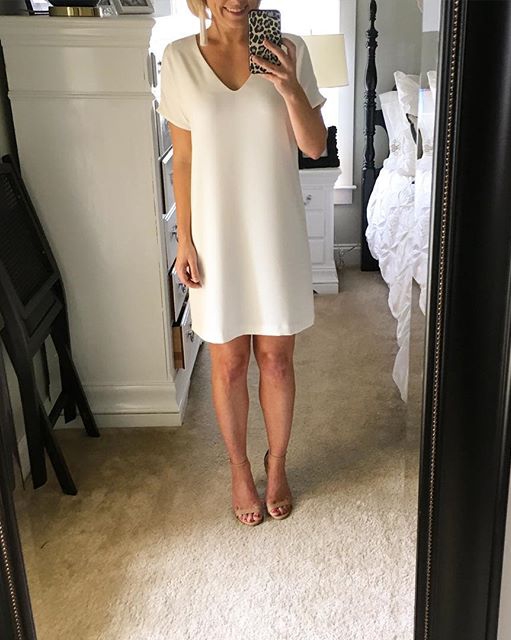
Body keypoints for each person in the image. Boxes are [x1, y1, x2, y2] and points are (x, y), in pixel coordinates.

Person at [156, 0, 327, 526]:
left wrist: (289, 86)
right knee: (228, 363)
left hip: (275, 232)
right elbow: (183, 160)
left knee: (276, 361)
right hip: (215, 237)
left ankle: (277, 465)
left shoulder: (290, 50)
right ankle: (239, 469)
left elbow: (314, 147)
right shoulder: (179, 58)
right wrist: (185, 241)